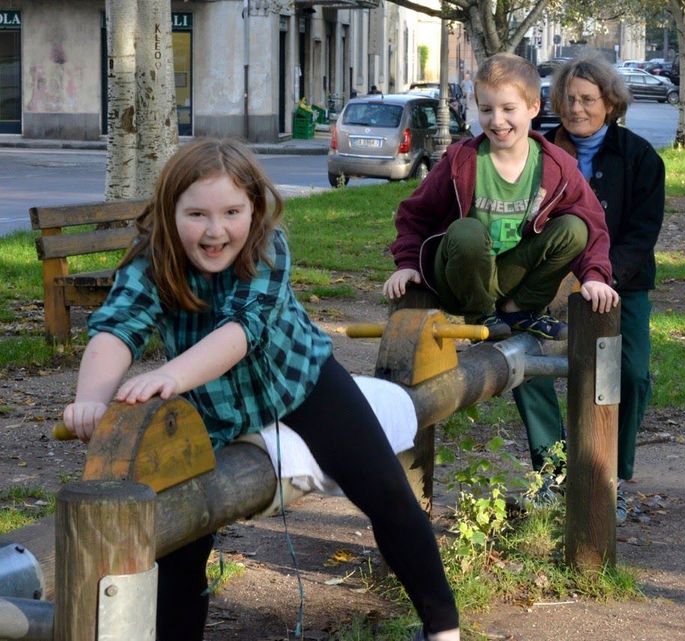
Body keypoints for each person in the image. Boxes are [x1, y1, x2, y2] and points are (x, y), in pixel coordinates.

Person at [62, 139, 460, 641]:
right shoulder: (151, 261)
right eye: (197, 214)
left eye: (231, 212)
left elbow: (240, 332)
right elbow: (116, 328)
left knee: (386, 494)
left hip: (300, 383)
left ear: (254, 208)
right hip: (210, 406)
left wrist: (172, 376)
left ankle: (443, 627)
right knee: (178, 540)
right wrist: (92, 400)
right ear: (169, 212)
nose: (215, 230)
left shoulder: (268, 249)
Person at [512, 54, 665, 524]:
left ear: (610, 104)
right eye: (569, 99)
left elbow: (642, 234)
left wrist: (599, 277)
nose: (577, 108)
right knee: (525, 364)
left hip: (620, 285)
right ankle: (555, 474)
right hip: (546, 283)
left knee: (629, 375)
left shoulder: (640, 158)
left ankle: (607, 479)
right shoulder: (537, 153)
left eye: (588, 99)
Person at [383, 53, 619, 341]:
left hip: (510, 276)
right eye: (486, 109)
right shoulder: (462, 161)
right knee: (467, 230)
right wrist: (407, 264)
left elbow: (593, 221)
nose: (497, 121)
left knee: (574, 228)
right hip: (460, 280)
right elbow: (413, 214)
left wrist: (595, 276)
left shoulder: (556, 165)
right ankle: (481, 313)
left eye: (508, 108)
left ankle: (518, 310)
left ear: (534, 107)